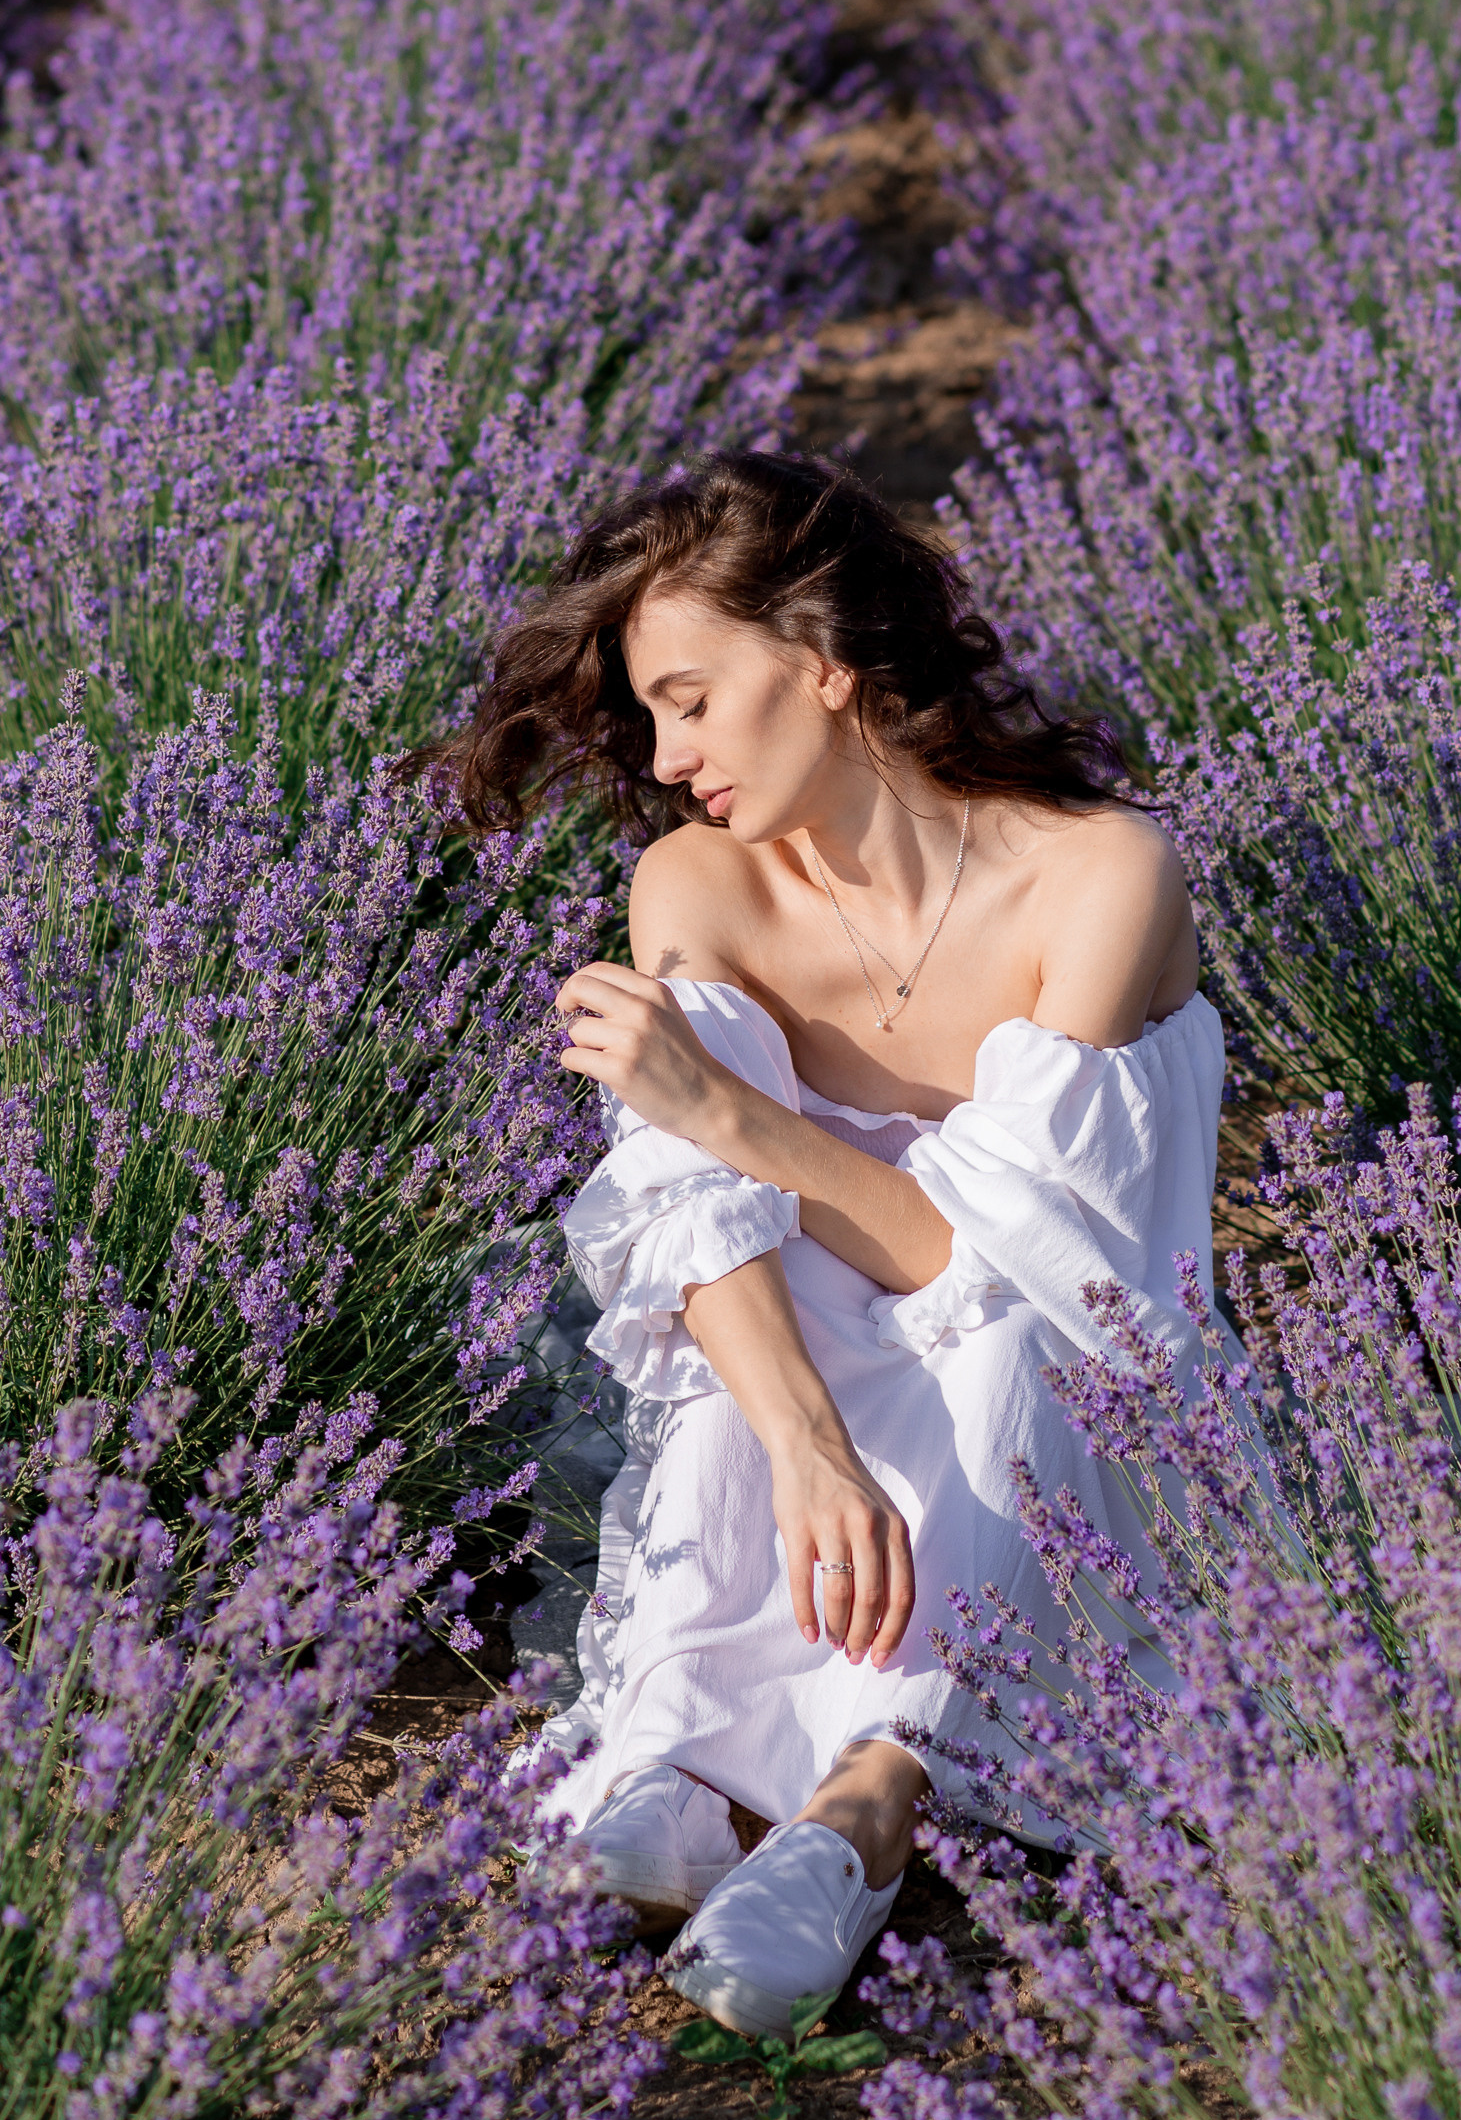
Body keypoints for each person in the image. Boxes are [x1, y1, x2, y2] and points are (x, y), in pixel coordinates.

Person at [442, 451, 1223, 2040]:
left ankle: (866, 1802)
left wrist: (728, 1111)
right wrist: (807, 1446)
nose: (667, 760)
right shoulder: (700, 883)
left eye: (691, 701)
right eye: (649, 718)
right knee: (762, 1277)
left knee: (1012, 1330)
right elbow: (699, 1227)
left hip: (1089, 1396)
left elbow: (988, 1253)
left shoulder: (1100, 877)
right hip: (824, 1405)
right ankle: (664, 1762)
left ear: (824, 663)